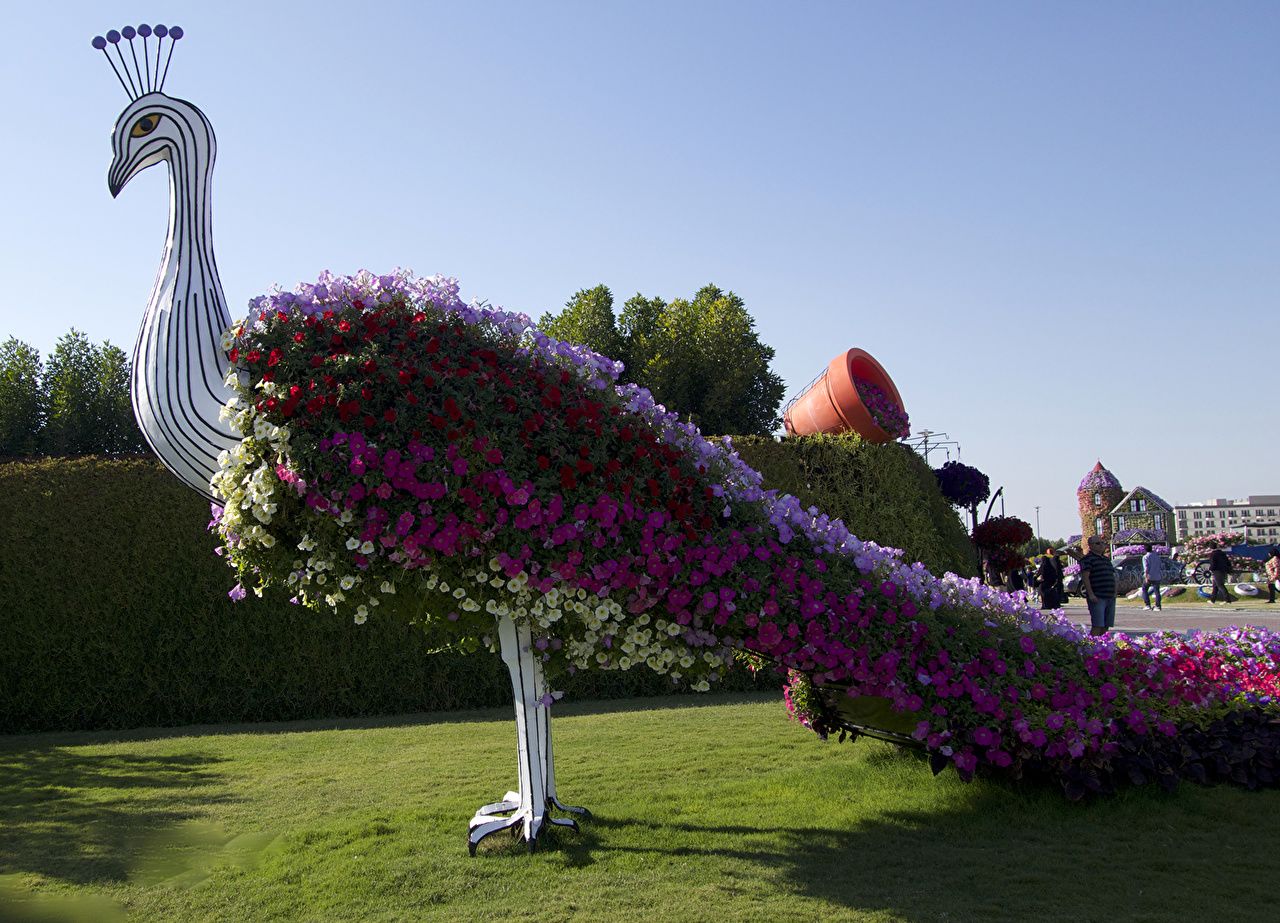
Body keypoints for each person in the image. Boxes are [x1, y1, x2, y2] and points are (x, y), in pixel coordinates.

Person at [1063, 537, 1117, 636]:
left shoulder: (1106, 559)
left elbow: (1112, 576)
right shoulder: (1088, 559)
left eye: (1102, 543)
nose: (1101, 545)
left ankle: (1103, 643)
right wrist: (1091, 594)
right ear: (1091, 546)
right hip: (1098, 596)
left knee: (1106, 625)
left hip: (1110, 596)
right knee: (1098, 625)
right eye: (1097, 543)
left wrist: (1115, 592)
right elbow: (1085, 577)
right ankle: (1092, 645)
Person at [1140, 544, 1164, 612]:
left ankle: (1147, 605)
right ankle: (1158, 606)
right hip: (1157, 575)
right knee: (1157, 591)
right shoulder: (1157, 556)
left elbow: (1146, 567)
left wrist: (1146, 576)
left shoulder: (1145, 557)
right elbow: (1160, 565)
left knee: (1144, 589)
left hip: (1150, 576)